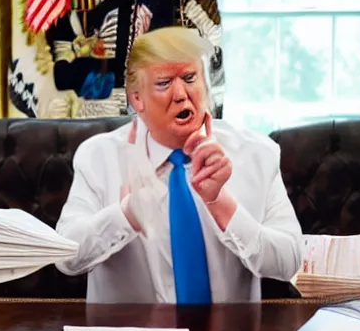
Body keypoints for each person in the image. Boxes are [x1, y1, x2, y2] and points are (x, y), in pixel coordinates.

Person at [55, 26, 303, 304]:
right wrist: (126, 215)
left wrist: (221, 203)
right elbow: (66, 257)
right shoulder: (98, 158)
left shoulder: (257, 154)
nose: (181, 94)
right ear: (137, 98)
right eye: (164, 83)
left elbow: (290, 260)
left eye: (189, 78)